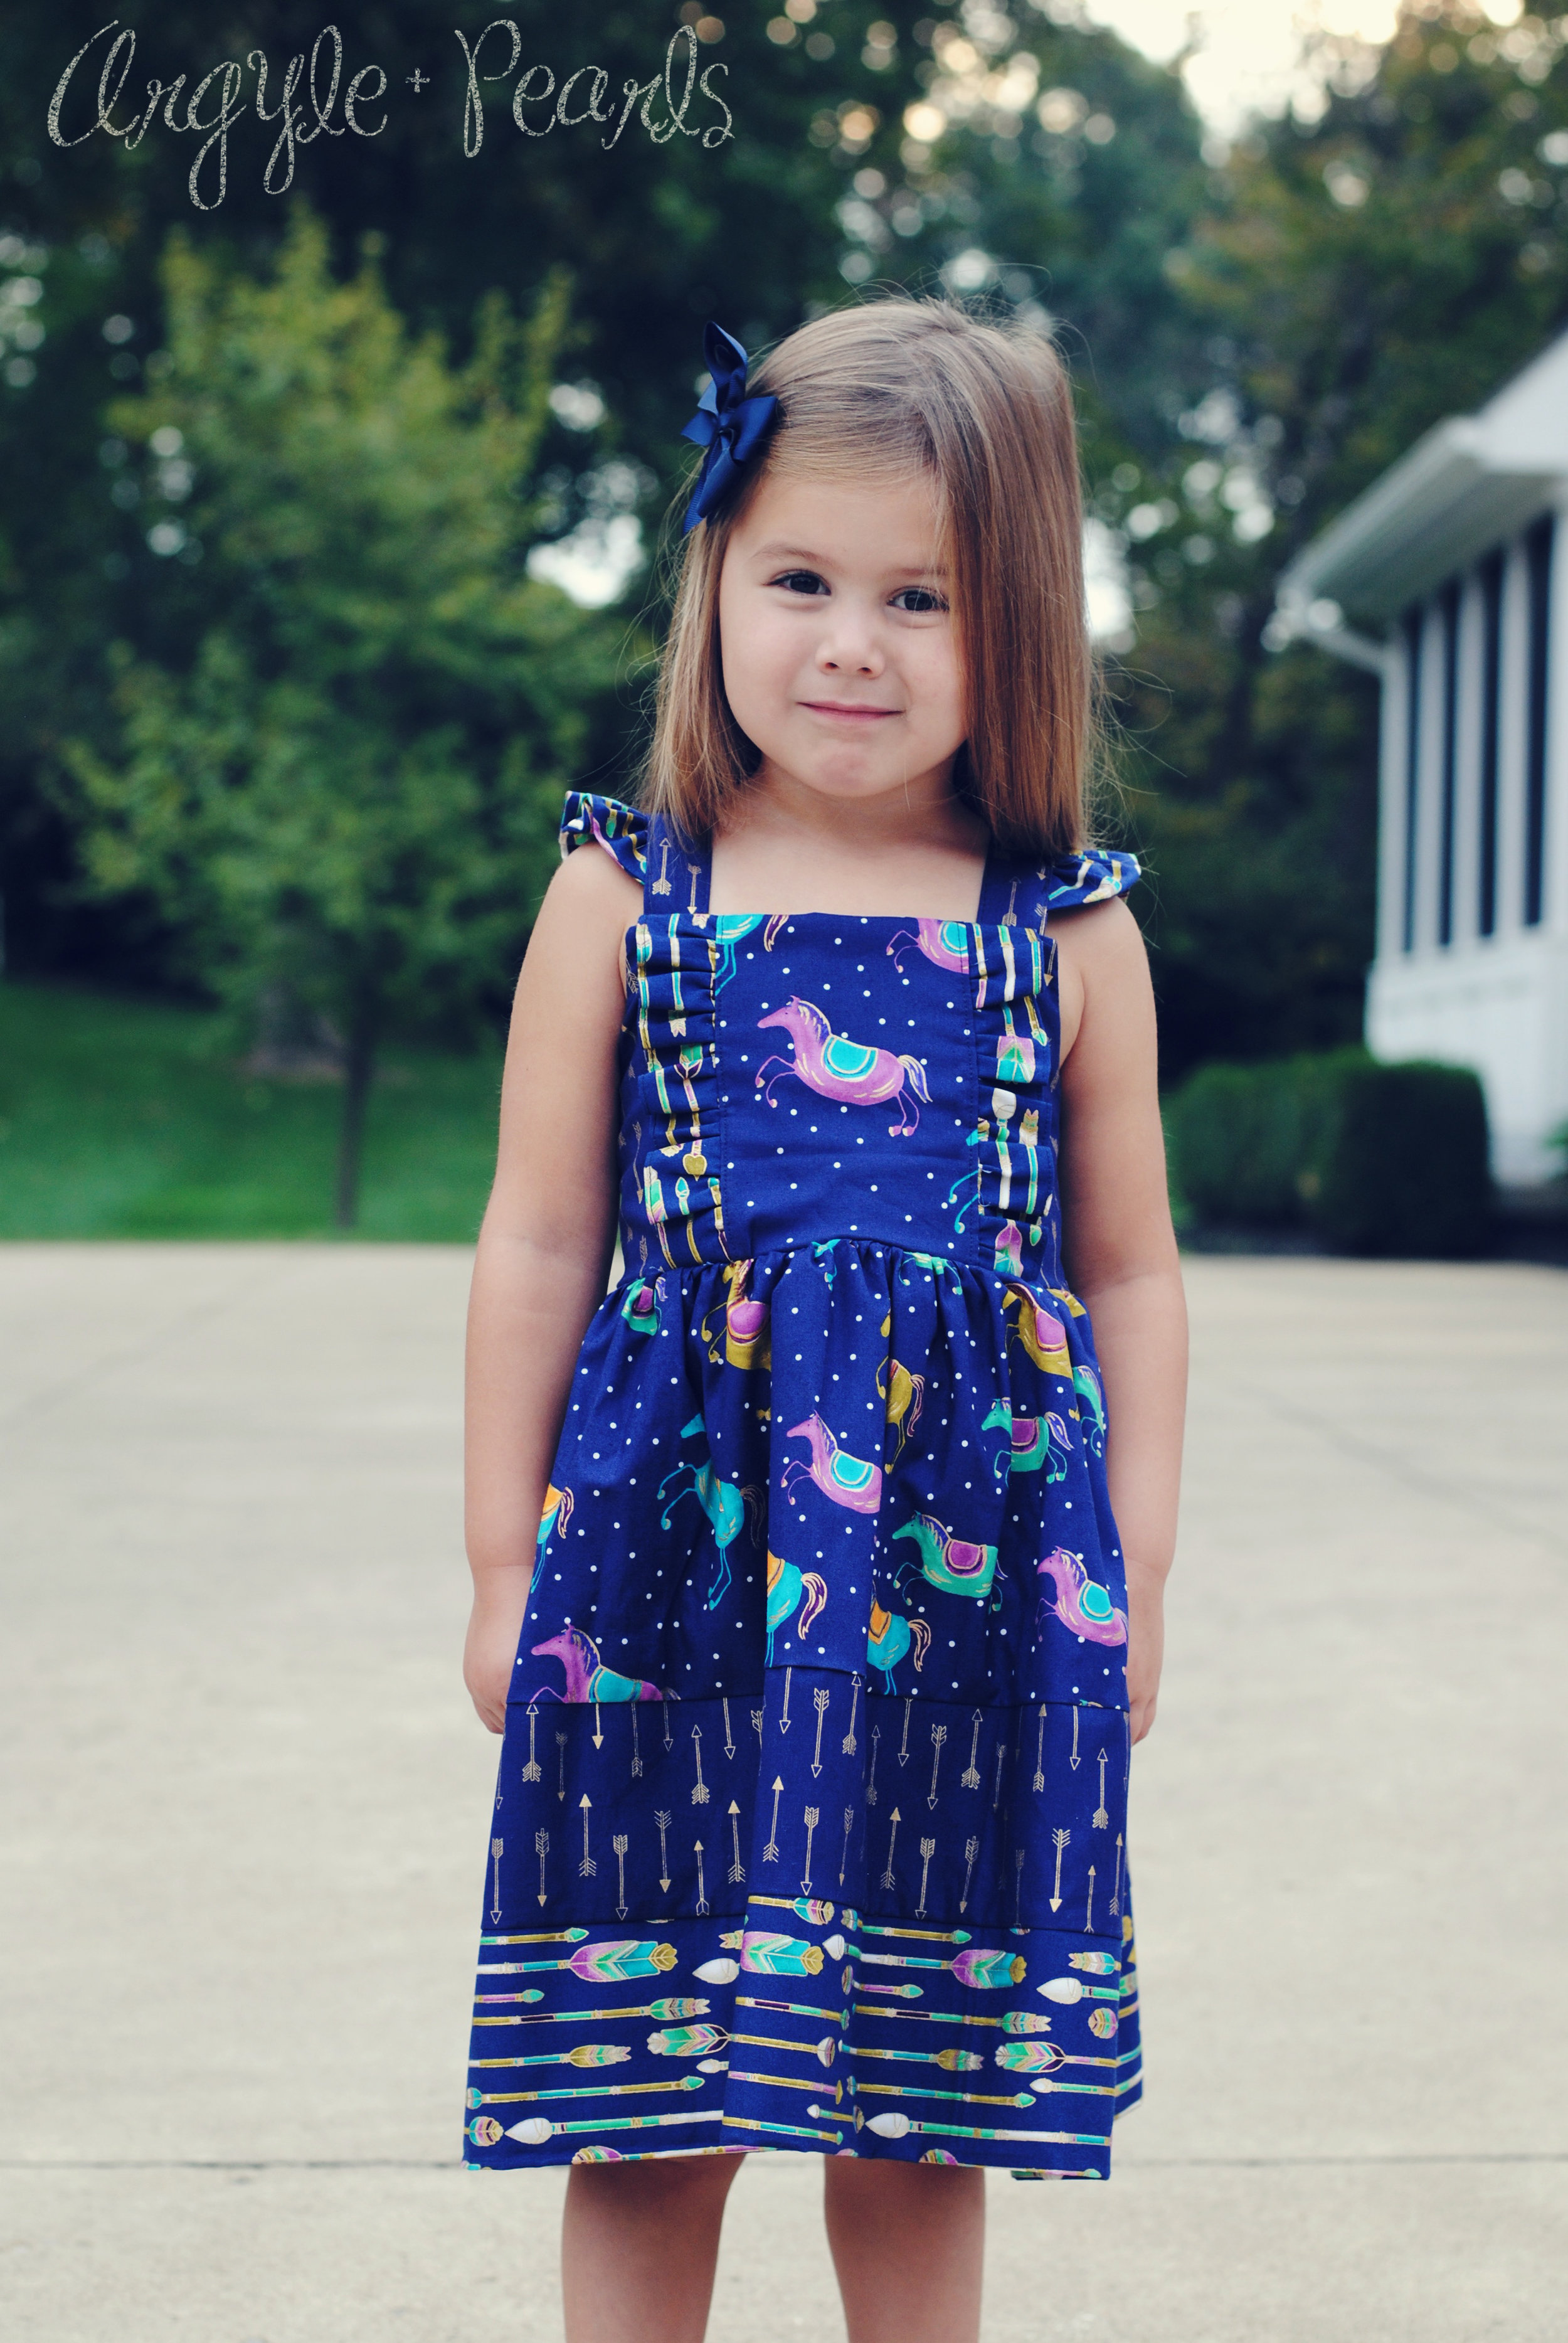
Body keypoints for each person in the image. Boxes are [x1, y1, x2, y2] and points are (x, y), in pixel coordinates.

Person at [460, 300, 1187, 2343]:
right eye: (798, 580)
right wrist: (501, 1562)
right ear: (711, 581)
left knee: (918, 2102)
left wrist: (1136, 1571)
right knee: (647, 2094)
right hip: (660, 1573)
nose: (850, 644)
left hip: (970, 1594)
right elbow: (538, 1237)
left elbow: (1130, 1270)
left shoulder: (1066, 930)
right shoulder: (626, 898)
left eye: (918, 597)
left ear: (1016, 626)